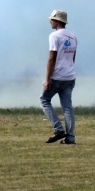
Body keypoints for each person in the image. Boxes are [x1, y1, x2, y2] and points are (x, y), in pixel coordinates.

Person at [40, 9, 78, 144]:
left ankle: (58, 129)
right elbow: (72, 58)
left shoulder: (54, 36)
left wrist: (47, 79)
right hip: (70, 76)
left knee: (44, 100)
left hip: (57, 76)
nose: (50, 21)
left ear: (57, 21)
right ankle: (70, 137)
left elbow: (52, 59)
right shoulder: (73, 37)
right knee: (67, 107)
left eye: (52, 19)